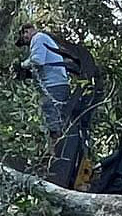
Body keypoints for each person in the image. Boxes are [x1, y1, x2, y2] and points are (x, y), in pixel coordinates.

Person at [17, 23, 83, 185]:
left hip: (54, 87)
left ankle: (55, 159)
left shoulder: (38, 38)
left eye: (24, 36)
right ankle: (55, 156)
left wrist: (21, 65)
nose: (25, 40)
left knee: (53, 122)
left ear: (28, 31)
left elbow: (38, 61)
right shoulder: (45, 40)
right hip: (58, 84)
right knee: (56, 121)